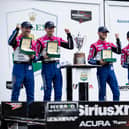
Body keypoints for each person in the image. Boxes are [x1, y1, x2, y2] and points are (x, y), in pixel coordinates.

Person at [36, 21, 74, 101]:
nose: (51, 30)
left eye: (53, 28)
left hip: (56, 66)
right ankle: (45, 111)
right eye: (49, 28)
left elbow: (70, 46)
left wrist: (69, 35)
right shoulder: (40, 40)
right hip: (46, 66)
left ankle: (57, 112)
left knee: (58, 91)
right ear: (45, 29)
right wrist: (42, 57)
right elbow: (35, 57)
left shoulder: (57, 39)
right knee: (47, 91)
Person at [88, 26, 121, 101]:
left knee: (116, 91)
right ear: (98, 33)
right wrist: (98, 62)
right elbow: (89, 60)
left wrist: (118, 40)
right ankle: (102, 111)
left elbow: (119, 51)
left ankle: (115, 110)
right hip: (101, 70)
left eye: (106, 32)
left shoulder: (110, 44)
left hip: (110, 69)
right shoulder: (94, 45)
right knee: (102, 93)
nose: (105, 34)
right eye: (103, 32)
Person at [8, 21, 36, 103]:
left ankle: (30, 113)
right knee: (16, 89)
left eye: (29, 28)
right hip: (18, 67)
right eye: (26, 28)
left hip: (29, 67)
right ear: (22, 28)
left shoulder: (32, 41)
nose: (28, 30)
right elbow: (10, 42)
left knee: (30, 92)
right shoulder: (16, 39)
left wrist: (33, 57)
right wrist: (16, 30)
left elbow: (36, 57)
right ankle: (13, 113)